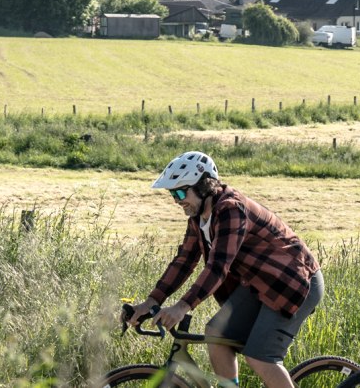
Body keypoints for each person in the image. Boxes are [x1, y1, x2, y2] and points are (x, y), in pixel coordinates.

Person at [127, 151, 324, 388]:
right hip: (258, 283)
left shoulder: (231, 209)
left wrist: (182, 307)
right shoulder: (198, 217)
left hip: (293, 282)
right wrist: (151, 301)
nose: (177, 200)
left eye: (180, 192)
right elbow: (184, 261)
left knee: (261, 357)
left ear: (204, 186)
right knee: (216, 334)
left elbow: (218, 267)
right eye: (172, 194)